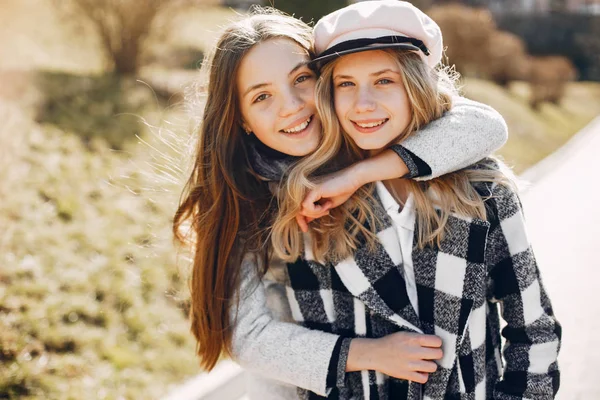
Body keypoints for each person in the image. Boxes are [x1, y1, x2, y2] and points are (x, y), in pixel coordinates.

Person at [172, 6, 508, 399]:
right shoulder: (246, 195)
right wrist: (369, 354)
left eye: (302, 79)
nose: (292, 105)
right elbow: (245, 336)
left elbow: (482, 125)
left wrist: (361, 173)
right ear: (242, 118)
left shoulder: (365, 141)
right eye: (262, 96)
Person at [271, 1, 561, 399]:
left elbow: (534, 329)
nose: (363, 104)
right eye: (346, 84)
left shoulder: (482, 191)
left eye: (384, 80)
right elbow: (318, 349)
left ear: (416, 85)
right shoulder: (316, 205)